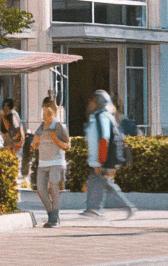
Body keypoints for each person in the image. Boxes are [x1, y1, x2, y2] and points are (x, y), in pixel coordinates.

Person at [82, 90, 136, 219]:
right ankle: (94, 209)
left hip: (104, 159)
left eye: (93, 102)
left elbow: (104, 138)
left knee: (100, 181)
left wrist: (101, 160)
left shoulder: (102, 116)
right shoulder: (99, 116)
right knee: (99, 182)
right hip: (101, 159)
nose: (90, 105)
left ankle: (95, 209)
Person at [32, 96, 70, 227]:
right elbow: (35, 144)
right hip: (43, 163)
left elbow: (67, 145)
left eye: (47, 113)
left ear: (53, 113)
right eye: (43, 113)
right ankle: (51, 214)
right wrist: (34, 143)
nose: (44, 116)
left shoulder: (58, 126)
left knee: (54, 188)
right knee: (41, 189)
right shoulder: (41, 127)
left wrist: (56, 140)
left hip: (56, 162)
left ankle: (54, 219)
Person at [0, 98, 24, 163]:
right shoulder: (3, 115)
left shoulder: (13, 115)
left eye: (7, 108)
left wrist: (15, 145)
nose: (5, 110)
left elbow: (16, 131)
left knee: (13, 162)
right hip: (9, 143)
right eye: (4, 108)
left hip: (15, 143)